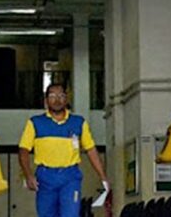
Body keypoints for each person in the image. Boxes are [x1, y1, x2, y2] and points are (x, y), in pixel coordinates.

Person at [18, 83, 110, 217]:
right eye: (52, 96)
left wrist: (103, 177)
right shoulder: (35, 123)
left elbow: (91, 150)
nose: (57, 100)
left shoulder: (78, 122)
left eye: (61, 96)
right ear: (46, 100)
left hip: (70, 177)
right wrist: (28, 175)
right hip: (45, 178)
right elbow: (23, 151)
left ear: (66, 99)